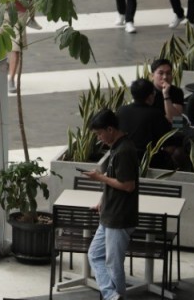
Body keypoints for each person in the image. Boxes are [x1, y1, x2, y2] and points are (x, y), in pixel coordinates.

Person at [82, 109, 139, 300]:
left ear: (110, 129)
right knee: (95, 255)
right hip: (109, 214)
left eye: (99, 134)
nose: (99, 138)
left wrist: (98, 177)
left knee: (113, 264)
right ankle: (112, 296)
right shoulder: (116, 147)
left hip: (120, 217)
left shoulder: (125, 150)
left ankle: (114, 296)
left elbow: (128, 185)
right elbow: (115, 178)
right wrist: (102, 199)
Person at [118, 78, 172, 154]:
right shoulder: (156, 114)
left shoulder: (121, 110)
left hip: (125, 155)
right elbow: (168, 139)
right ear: (150, 96)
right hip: (150, 158)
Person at [150, 58, 186, 125]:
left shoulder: (176, 91)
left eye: (168, 73)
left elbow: (176, 122)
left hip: (170, 131)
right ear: (152, 76)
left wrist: (166, 95)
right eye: (161, 73)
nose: (165, 77)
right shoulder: (147, 92)